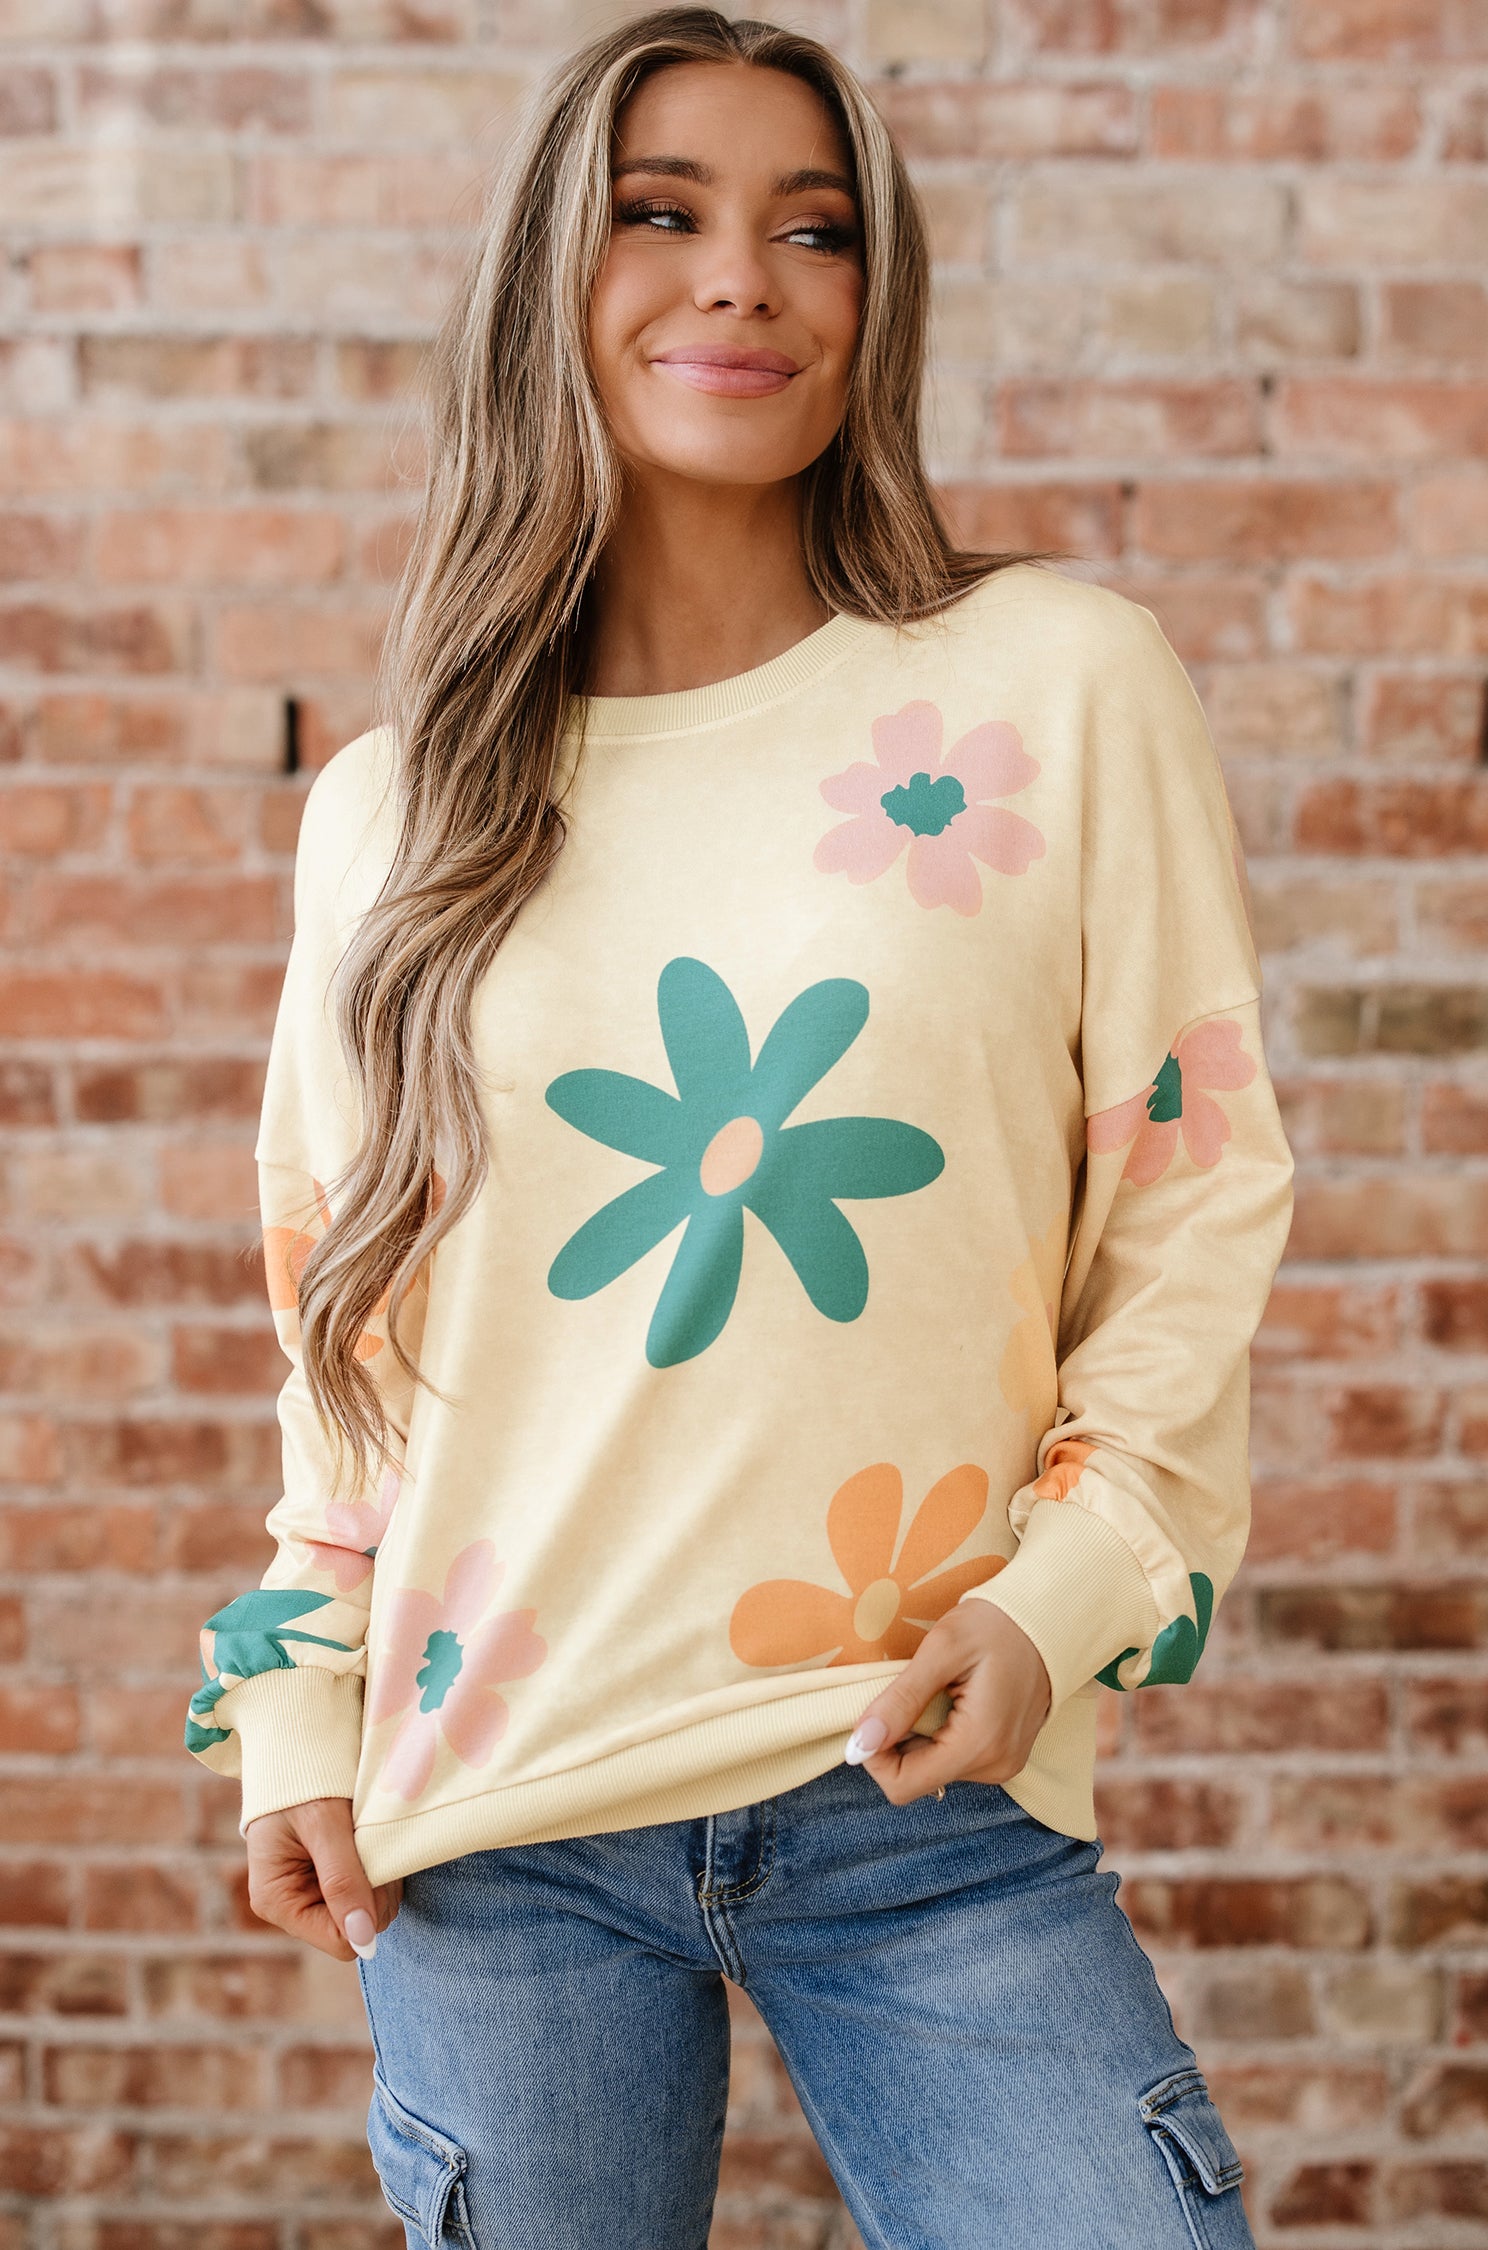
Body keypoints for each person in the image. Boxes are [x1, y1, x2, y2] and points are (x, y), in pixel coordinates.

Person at [184, 10, 1292, 2245]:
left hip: (919, 1783)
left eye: (814, 229)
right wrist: (296, 1705)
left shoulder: (1055, 686)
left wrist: (1066, 1596)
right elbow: (348, 1323)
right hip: (496, 1810)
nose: (740, 280)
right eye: (660, 214)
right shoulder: (394, 811)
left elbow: (1193, 1208)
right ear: (549, 276)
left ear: (876, 295)